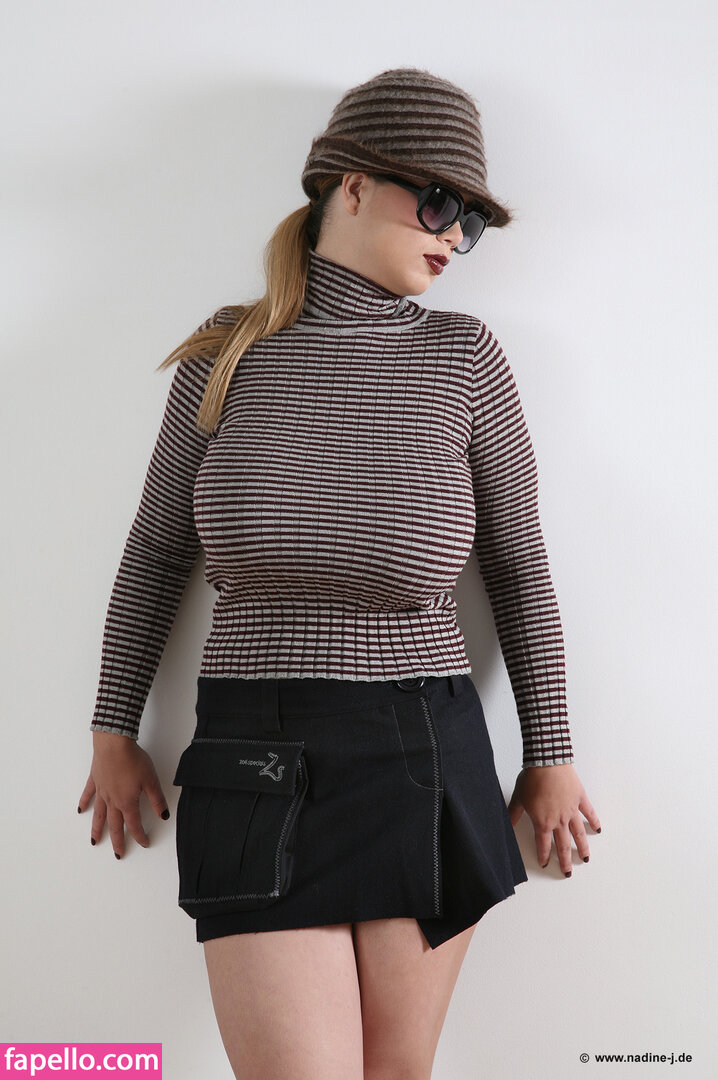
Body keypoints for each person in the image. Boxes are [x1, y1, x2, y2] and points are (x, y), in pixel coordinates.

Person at [78, 67, 601, 1080]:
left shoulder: (464, 357)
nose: (454, 237)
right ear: (350, 187)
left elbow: (517, 565)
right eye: (439, 203)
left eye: (471, 223)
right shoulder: (227, 353)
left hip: (422, 749)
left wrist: (552, 753)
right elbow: (155, 550)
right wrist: (112, 727)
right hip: (250, 756)